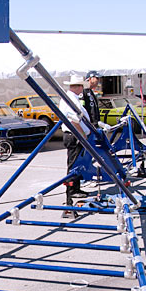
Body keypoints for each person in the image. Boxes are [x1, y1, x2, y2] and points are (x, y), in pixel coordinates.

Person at [60, 74, 91, 209]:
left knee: (77, 163)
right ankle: (71, 191)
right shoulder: (70, 100)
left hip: (75, 134)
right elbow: (74, 120)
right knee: (73, 164)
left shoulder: (72, 98)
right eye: (81, 86)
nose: (82, 89)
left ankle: (75, 189)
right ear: (78, 87)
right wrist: (83, 135)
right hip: (74, 135)